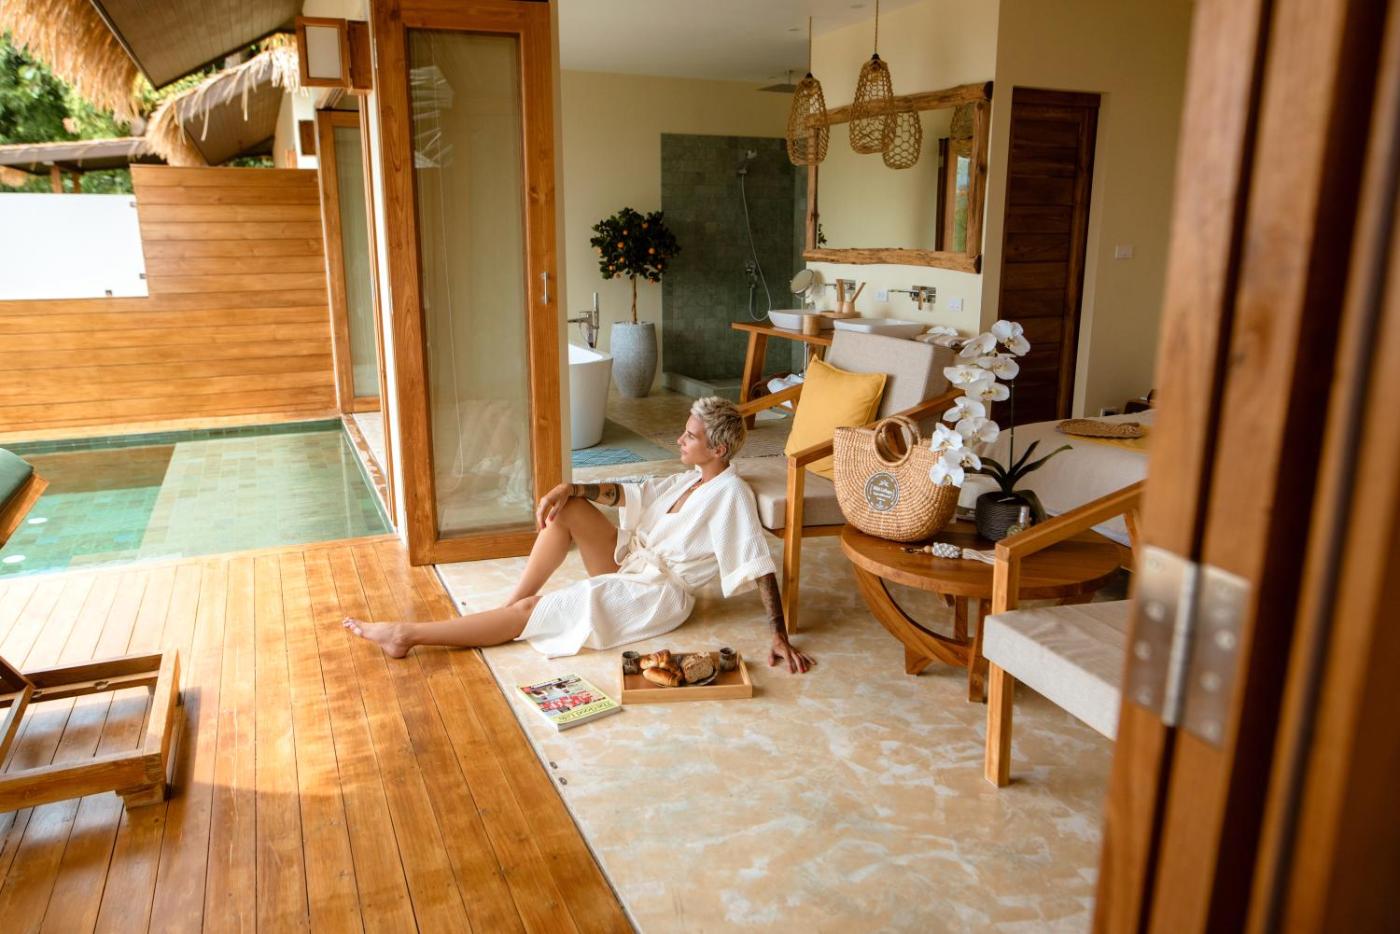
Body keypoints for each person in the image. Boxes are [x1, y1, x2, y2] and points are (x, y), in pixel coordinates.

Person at [344, 396, 816, 673]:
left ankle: (407, 635)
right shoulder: (690, 478)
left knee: (535, 613)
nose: (679, 439)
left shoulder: (729, 494)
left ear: (718, 448)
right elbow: (631, 493)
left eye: (689, 436)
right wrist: (572, 487)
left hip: (653, 595)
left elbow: (758, 564)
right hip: (634, 565)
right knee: (568, 508)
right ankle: (509, 608)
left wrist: (778, 634)